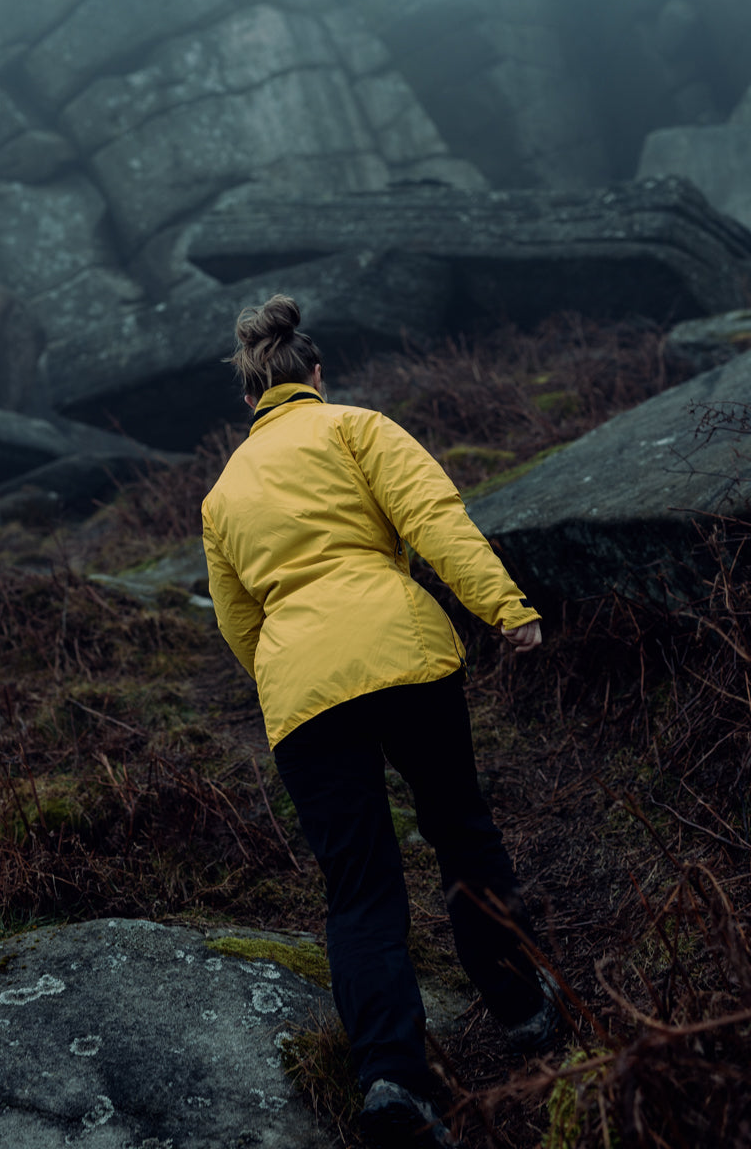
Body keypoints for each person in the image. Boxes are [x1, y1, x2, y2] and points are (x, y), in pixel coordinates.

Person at [202, 295, 560, 1149]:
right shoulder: (358, 427)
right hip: (405, 656)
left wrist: (291, 679)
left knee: (359, 889)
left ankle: (394, 1084)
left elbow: (236, 623)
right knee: (461, 833)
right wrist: (505, 608)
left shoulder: (221, 495)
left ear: (250, 396)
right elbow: (435, 519)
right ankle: (520, 1010)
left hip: (302, 696)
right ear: (315, 376)